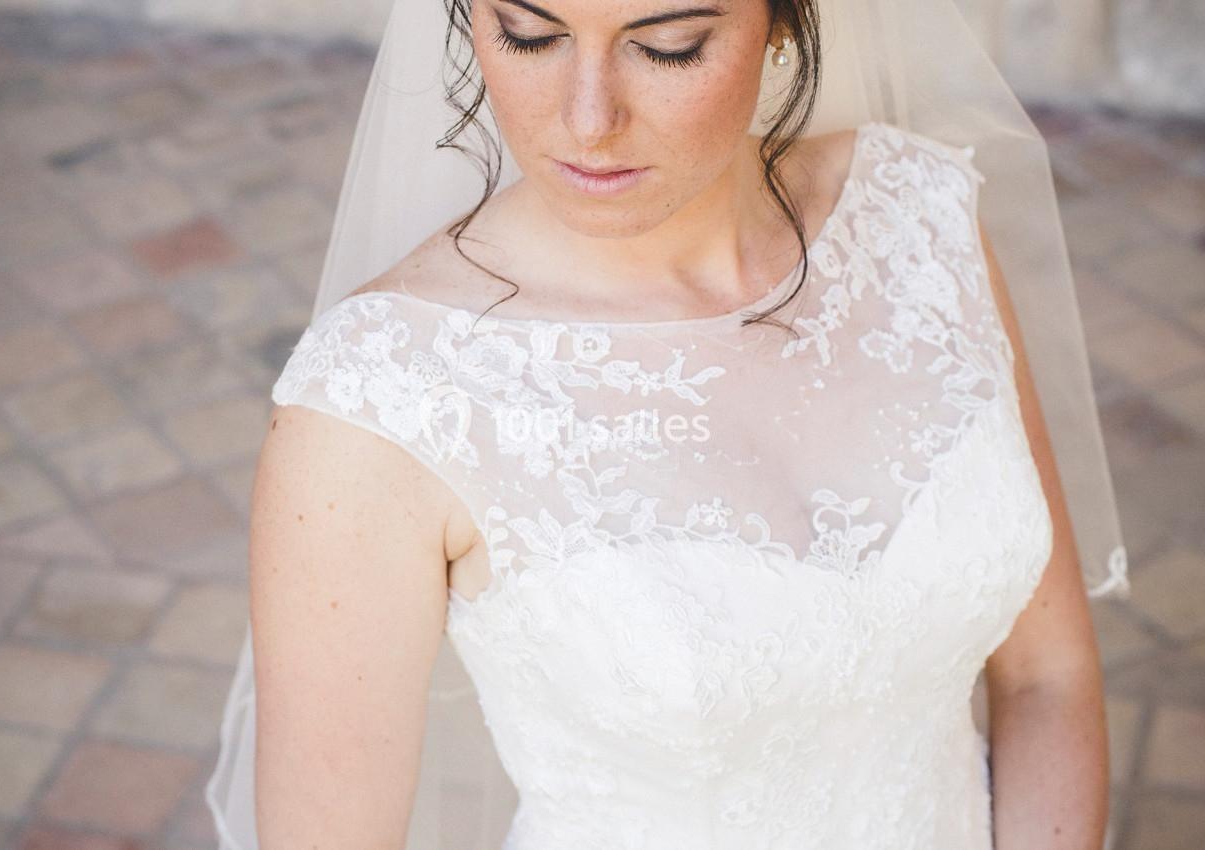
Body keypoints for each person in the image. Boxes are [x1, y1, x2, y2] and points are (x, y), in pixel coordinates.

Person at [206, 1, 1132, 848]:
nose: (588, 119)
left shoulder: (915, 220)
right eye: (530, 34)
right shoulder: (380, 397)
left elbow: (1046, 679)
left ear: (782, 22)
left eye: (668, 47)